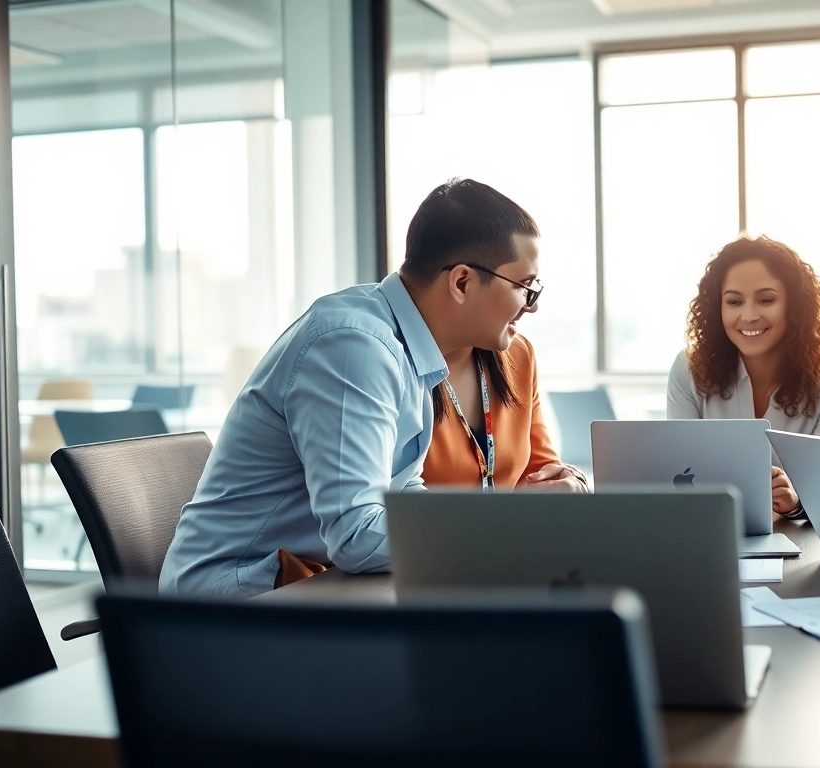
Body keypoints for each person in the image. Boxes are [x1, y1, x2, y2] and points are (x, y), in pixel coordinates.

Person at [161, 178, 548, 596]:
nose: (534, 304)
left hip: (305, 580)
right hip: (231, 600)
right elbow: (358, 536)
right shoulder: (355, 346)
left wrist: (500, 530)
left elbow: (400, 495)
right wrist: (504, 542)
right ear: (461, 282)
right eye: (524, 287)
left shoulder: (407, 344)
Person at [667, 235, 820, 516]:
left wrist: (794, 503)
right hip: (706, 526)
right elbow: (677, 472)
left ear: (794, 306)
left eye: (766, 300)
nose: (749, 315)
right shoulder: (689, 368)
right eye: (734, 302)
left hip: (794, 539)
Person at [420, 332, 587, 491]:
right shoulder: (401, 364)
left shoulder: (518, 353)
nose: (531, 307)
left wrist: (574, 481)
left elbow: (540, 468)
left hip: (509, 520)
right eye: (523, 298)